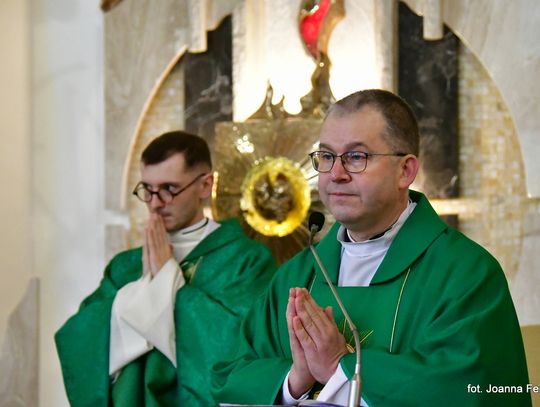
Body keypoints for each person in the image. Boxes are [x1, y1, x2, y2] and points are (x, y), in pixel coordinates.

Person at [212, 89, 531, 406]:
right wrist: (294, 381)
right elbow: (230, 379)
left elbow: (475, 390)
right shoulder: (297, 277)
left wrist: (341, 366)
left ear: (405, 170)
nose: (336, 174)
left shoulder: (466, 275)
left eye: (356, 157)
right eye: (326, 157)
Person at [55, 131, 276, 406]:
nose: (155, 203)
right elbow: (79, 340)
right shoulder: (125, 267)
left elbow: (238, 345)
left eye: (169, 189)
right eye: (147, 189)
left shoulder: (246, 262)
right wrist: (151, 289)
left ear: (205, 185)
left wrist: (165, 280)